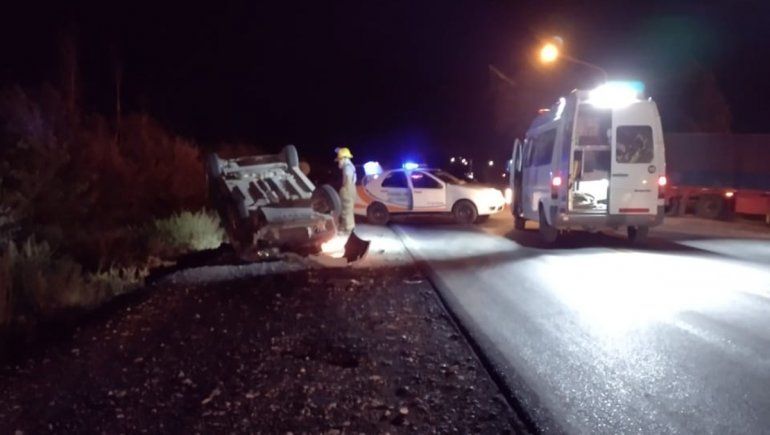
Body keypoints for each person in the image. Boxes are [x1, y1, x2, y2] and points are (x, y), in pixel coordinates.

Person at [335, 147, 356, 233]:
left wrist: (345, 187)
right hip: (351, 188)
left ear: (344, 158)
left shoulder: (347, 167)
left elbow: (347, 176)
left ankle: (345, 228)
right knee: (349, 209)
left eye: (339, 160)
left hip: (348, 188)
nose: (338, 162)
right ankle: (349, 227)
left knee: (345, 209)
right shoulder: (350, 166)